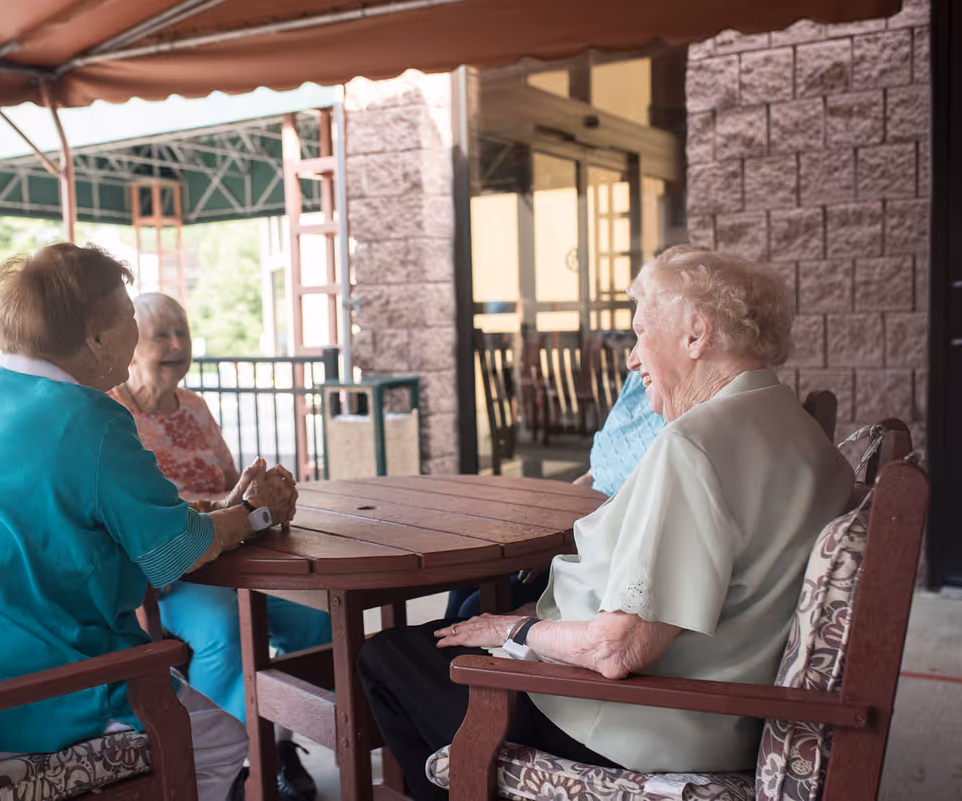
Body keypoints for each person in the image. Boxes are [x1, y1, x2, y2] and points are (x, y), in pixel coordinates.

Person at [359, 246, 855, 801]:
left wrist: (514, 632)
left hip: (639, 728)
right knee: (456, 631)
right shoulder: (802, 432)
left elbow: (618, 651)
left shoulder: (695, 447)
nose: (631, 358)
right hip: (721, 712)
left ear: (696, 335)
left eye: (642, 333)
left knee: (387, 657)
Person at [0, 244, 298, 801]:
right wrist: (256, 514)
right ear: (96, 338)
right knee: (219, 740)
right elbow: (174, 553)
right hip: (7, 697)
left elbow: (111, 519)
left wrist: (230, 515)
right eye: (129, 318)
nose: (136, 331)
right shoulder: (91, 417)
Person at [110, 292, 328, 801]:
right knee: (227, 628)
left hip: (233, 558)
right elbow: (143, 521)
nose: (176, 344)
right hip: (171, 575)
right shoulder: (112, 415)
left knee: (317, 618)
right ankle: (222, 763)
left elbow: (232, 485)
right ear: (128, 343)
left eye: (181, 331)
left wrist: (259, 492)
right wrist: (231, 510)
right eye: (160, 333)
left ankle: (275, 747)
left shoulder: (195, 406)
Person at [444, 369, 666, 620]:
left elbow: (642, 520)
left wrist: (562, 542)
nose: (631, 359)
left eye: (643, 333)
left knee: (473, 609)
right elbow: (594, 474)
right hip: (577, 530)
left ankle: (440, 652)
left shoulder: (679, 415)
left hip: (601, 553)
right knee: (467, 576)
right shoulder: (639, 380)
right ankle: (438, 652)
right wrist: (543, 528)